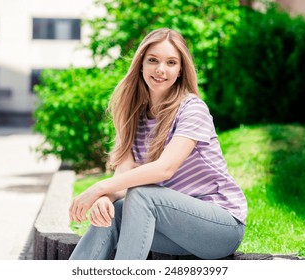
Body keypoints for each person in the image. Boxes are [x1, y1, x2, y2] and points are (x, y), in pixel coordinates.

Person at [69, 28, 247, 260]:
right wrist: (106, 198)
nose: (161, 70)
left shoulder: (192, 109)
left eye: (171, 62)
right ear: (141, 63)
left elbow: (165, 168)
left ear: (181, 69)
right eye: (153, 60)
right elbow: (123, 177)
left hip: (221, 226)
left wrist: (98, 189)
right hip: (175, 228)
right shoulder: (132, 114)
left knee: (143, 194)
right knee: (113, 213)